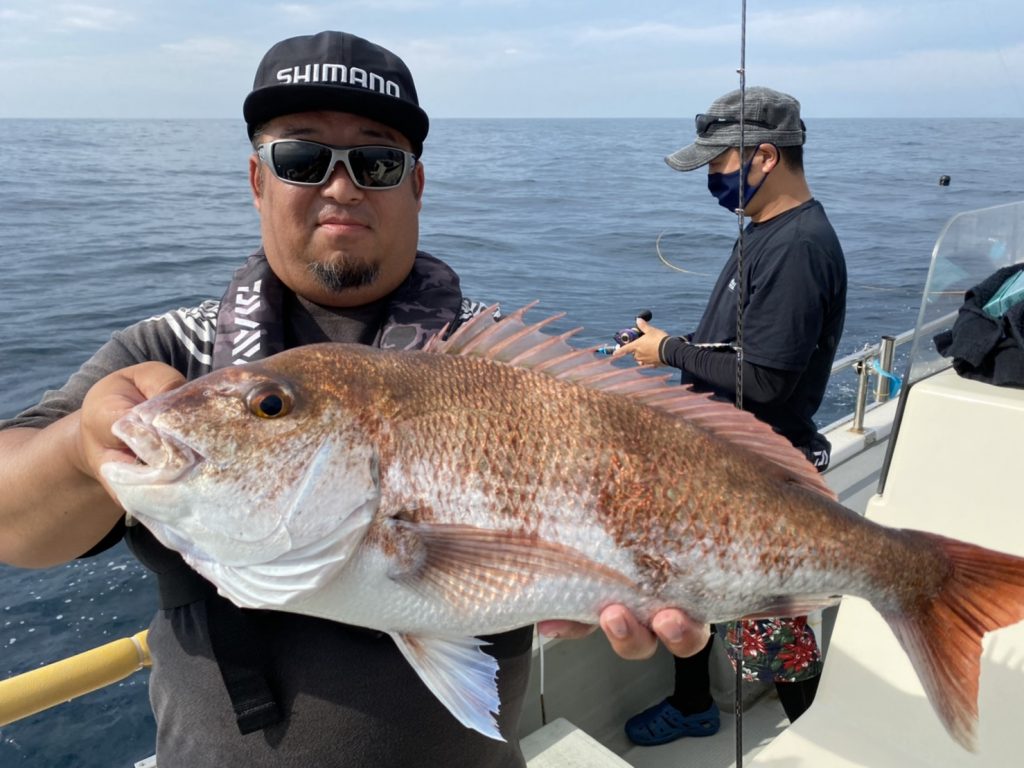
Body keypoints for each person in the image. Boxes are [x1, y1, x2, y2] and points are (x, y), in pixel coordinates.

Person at [0, 30, 706, 767]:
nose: (342, 187)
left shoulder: (501, 370)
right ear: (257, 180)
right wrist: (82, 449)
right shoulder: (173, 359)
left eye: (376, 162)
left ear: (416, 185)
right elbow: (11, 519)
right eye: (302, 159)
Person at [614, 86, 848, 746]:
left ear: (765, 157)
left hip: (759, 479)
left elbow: (767, 380)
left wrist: (669, 352)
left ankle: (819, 742)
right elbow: (744, 346)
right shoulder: (766, 230)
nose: (712, 179)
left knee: (772, 629)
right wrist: (666, 345)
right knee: (690, 588)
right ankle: (694, 705)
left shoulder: (799, 246)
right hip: (720, 465)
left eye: (718, 165)